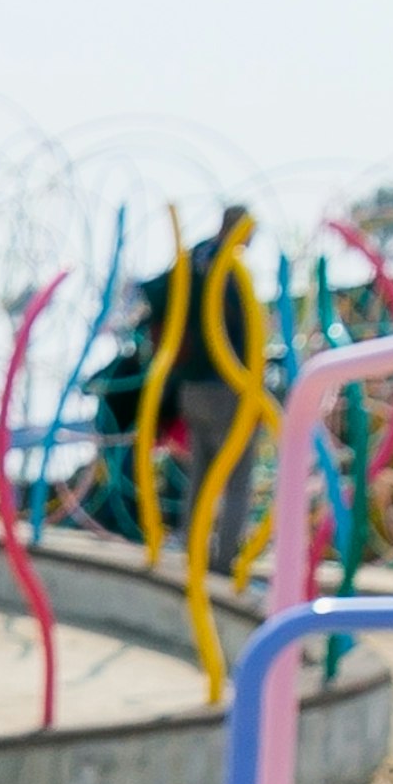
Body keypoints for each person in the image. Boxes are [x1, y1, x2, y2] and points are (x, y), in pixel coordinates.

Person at [164, 205, 261, 577]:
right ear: (239, 228)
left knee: (202, 476)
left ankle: (193, 550)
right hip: (229, 384)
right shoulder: (232, 268)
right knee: (238, 478)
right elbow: (247, 331)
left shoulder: (192, 260)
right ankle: (223, 561)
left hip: (192, 384)